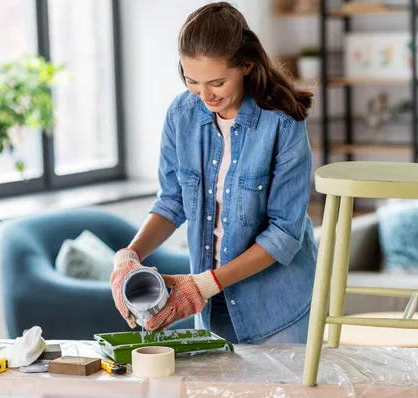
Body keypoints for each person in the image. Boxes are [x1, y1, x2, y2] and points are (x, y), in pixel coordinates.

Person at [110, 2, 317, 345]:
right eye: (192, 81)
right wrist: (128, 256)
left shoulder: (282, 123)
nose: (204, 96)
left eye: (218, 82)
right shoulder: (181, 115)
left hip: (278, 305)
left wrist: (203, 284)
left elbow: (284, 234)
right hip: (211, 304)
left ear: (247, 66)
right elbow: (172, 202)